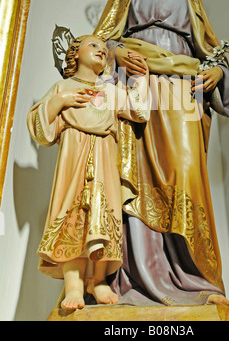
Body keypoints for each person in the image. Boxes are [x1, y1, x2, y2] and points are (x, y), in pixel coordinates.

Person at [93, 0, 229, 307]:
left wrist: (218, 75)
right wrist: (118, 52)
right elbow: (97, 42)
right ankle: (139, 276)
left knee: (186, 173)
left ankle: (196, 278)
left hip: (181, 91)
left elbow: (211, 48)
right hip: (137, 90)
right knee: (134, 176)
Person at [27, 35, 149, 310]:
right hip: (74, 159)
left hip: (105, 158)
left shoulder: (110, 91)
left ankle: (99, 279)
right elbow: (39, 128)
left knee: (105, 214)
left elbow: (139, 110)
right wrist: (61, 100)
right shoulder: (63, 87)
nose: (101, 51)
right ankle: (73, 284)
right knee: (73, 215)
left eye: (104, 49)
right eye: (93, 45)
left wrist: (142, 77)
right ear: (74, 53)